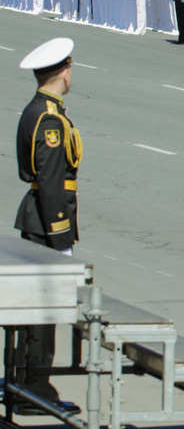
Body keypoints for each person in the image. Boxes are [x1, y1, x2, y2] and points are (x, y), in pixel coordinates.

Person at [13, 38, 84, 416]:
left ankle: (24, 383)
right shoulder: (50, 119)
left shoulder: (36, 110)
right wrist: (61, 238)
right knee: (43, 311)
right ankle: (36, 388)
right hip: (47, 223)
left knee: (33, 310)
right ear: (64, 70)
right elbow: (53, 180)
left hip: (36, 217)